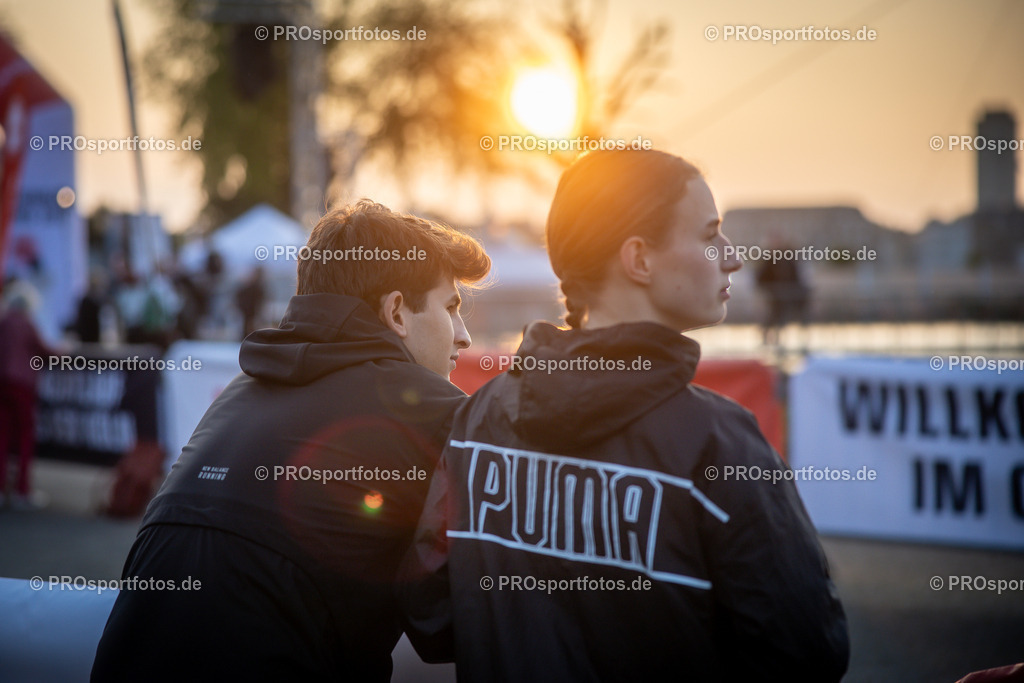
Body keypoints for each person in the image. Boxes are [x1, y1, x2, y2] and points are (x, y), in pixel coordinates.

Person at [399, 150, 849, 682]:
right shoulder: (720, 443)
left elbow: (432, 617)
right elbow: (806, 651)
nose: (733, 258)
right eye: (709, 236)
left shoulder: (477, 422)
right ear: (639, 259)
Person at [91, 200, 490, 682]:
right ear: (397, 312)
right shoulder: (438, 410)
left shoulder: (240, 390)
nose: (464, 337)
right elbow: (444, 624)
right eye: (451, 308)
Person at [0, 282, 56, 509]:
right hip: (22, 385)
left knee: (3, 437)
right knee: (24, 437)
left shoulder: (4, 322)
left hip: (3, 383)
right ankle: (22, 489)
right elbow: (46, 350)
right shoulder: (26, 323)